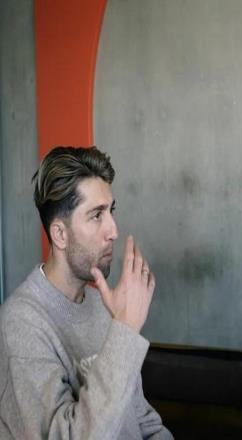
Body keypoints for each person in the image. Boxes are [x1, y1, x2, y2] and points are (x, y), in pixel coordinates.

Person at [0, 146, 174, 439]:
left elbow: (143, 421)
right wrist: (125, 330)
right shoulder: (19, 326)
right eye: (96, 215)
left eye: (111, 211)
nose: (113, 230)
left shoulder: (103, 305)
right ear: (60, 235)